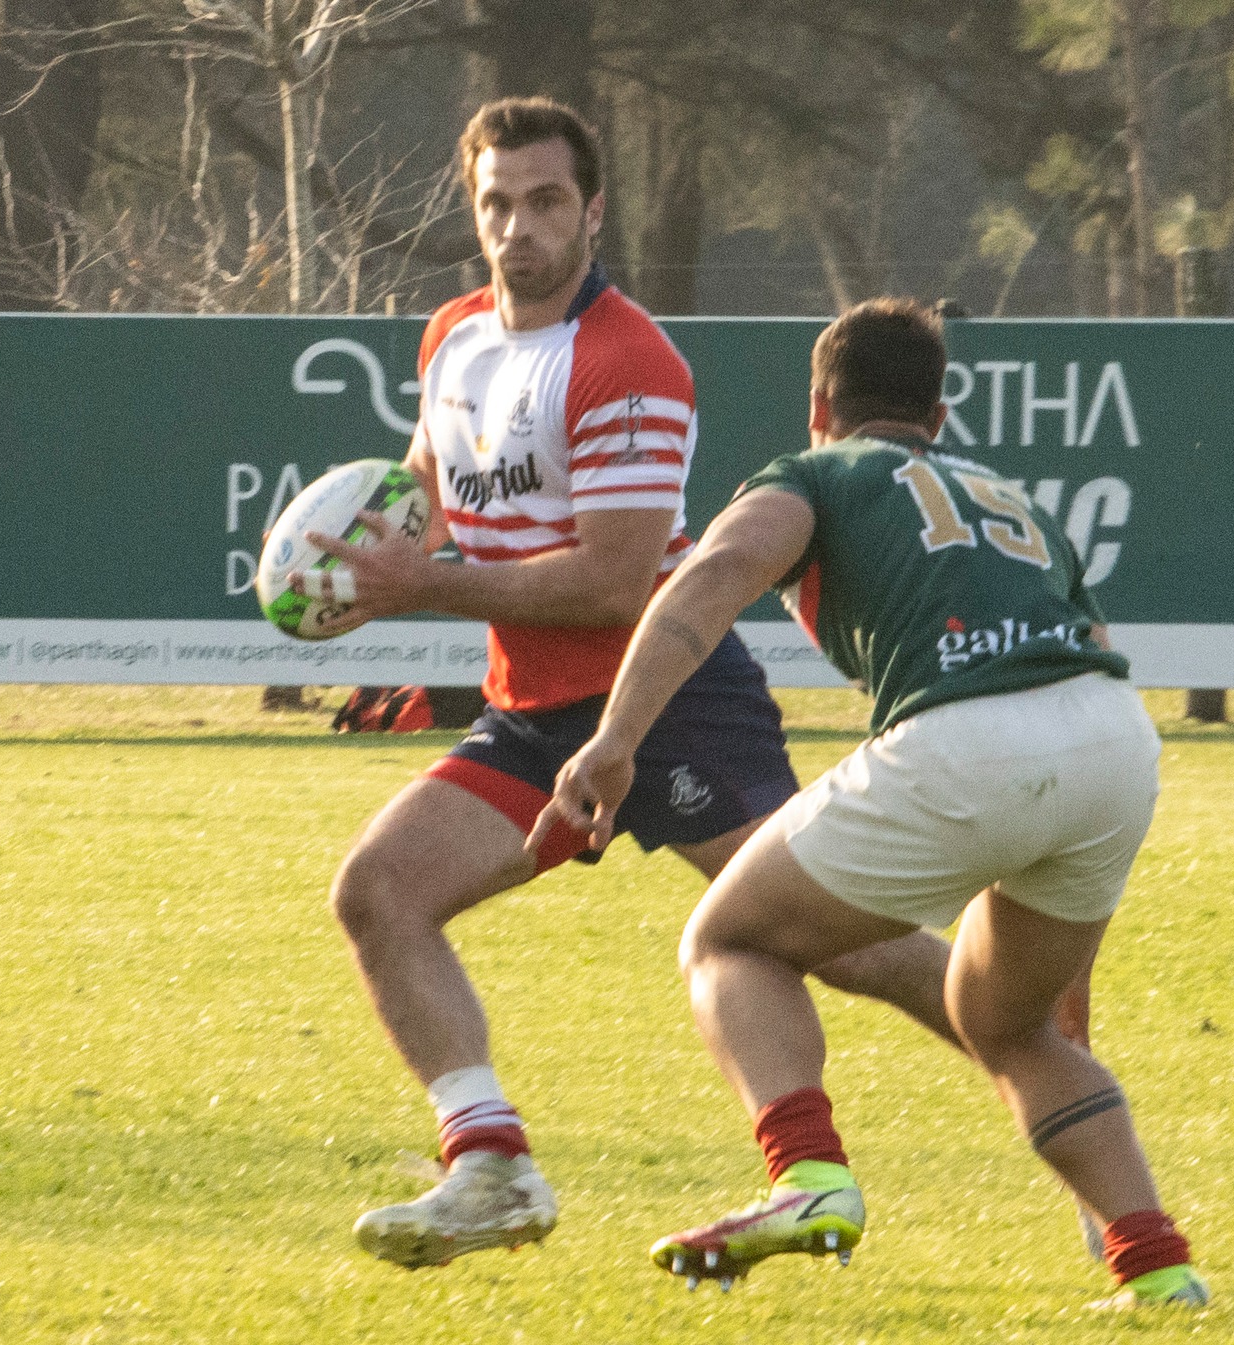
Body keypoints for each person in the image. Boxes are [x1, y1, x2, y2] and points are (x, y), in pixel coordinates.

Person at [299, 97, 983, 1271]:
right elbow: (423, 484)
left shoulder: (629, 361)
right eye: (496, 203)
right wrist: (343, 559)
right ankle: (491, 1167)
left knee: (843, 945)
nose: (519, 227)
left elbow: (616, 583)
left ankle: (1041, 1059)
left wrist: (417, 588)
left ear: (593, 208)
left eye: (546, 201)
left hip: (666, 697)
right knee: (377, 891)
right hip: (531, 715)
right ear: (473, 213)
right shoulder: (451, 337)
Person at [529, 298, 1209, 1308]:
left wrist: (614, 739)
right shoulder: (1001, 493)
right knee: (1011, 1024)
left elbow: (709, 574)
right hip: (1113, 741)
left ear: (819, 406)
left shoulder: (814, 473)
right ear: (935, 414)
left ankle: (806, 1178)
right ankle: (1157, 1271)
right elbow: (1081, 647)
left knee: (730, 942)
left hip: (963, 737)